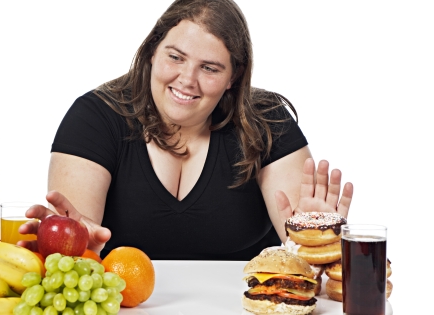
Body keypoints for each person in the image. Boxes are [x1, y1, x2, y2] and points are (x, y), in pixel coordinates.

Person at [18, 0, 353, 260]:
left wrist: (318, 240)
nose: (187, 80)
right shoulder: (94, 117)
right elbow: (77, 255)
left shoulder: (267, 120)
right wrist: (79, 248)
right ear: (152, 51)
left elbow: (307, 262)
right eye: (175, 57)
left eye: (209, 68)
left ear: (233, 77)